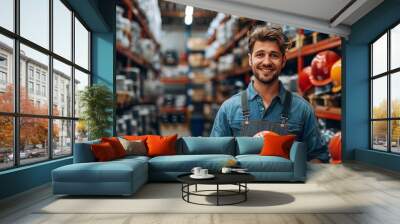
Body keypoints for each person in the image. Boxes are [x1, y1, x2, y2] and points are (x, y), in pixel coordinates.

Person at [210, 25, 329, 163]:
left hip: (287, 183)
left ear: (283, 60)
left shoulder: (302, 109)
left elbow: (318, 157)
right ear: (250, 60)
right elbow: (216, 156)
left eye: (274, 55)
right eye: (260, 54)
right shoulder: (229, 109)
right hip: (242, 184)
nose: (266, 62)